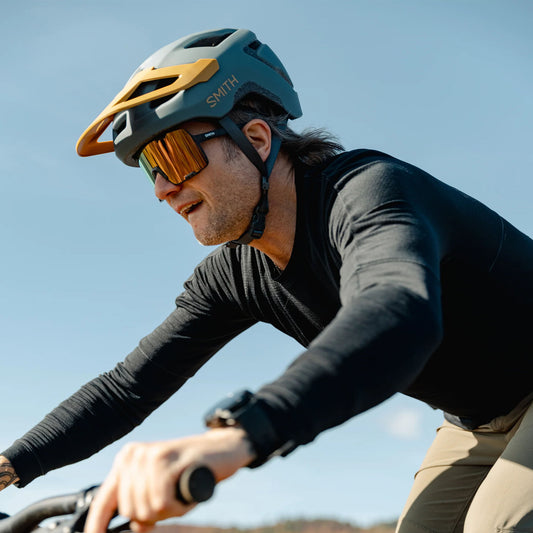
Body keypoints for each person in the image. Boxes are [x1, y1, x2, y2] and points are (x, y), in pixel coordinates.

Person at [1, 27, 532, 533]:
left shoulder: (366, 191)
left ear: (255, 139)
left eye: (173, 155)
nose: (162, 188)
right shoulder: (235, 274)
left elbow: (398, 310)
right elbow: (127, 389)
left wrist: (241, 435)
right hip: (473, 422)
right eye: (149, 168)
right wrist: (8, 468)